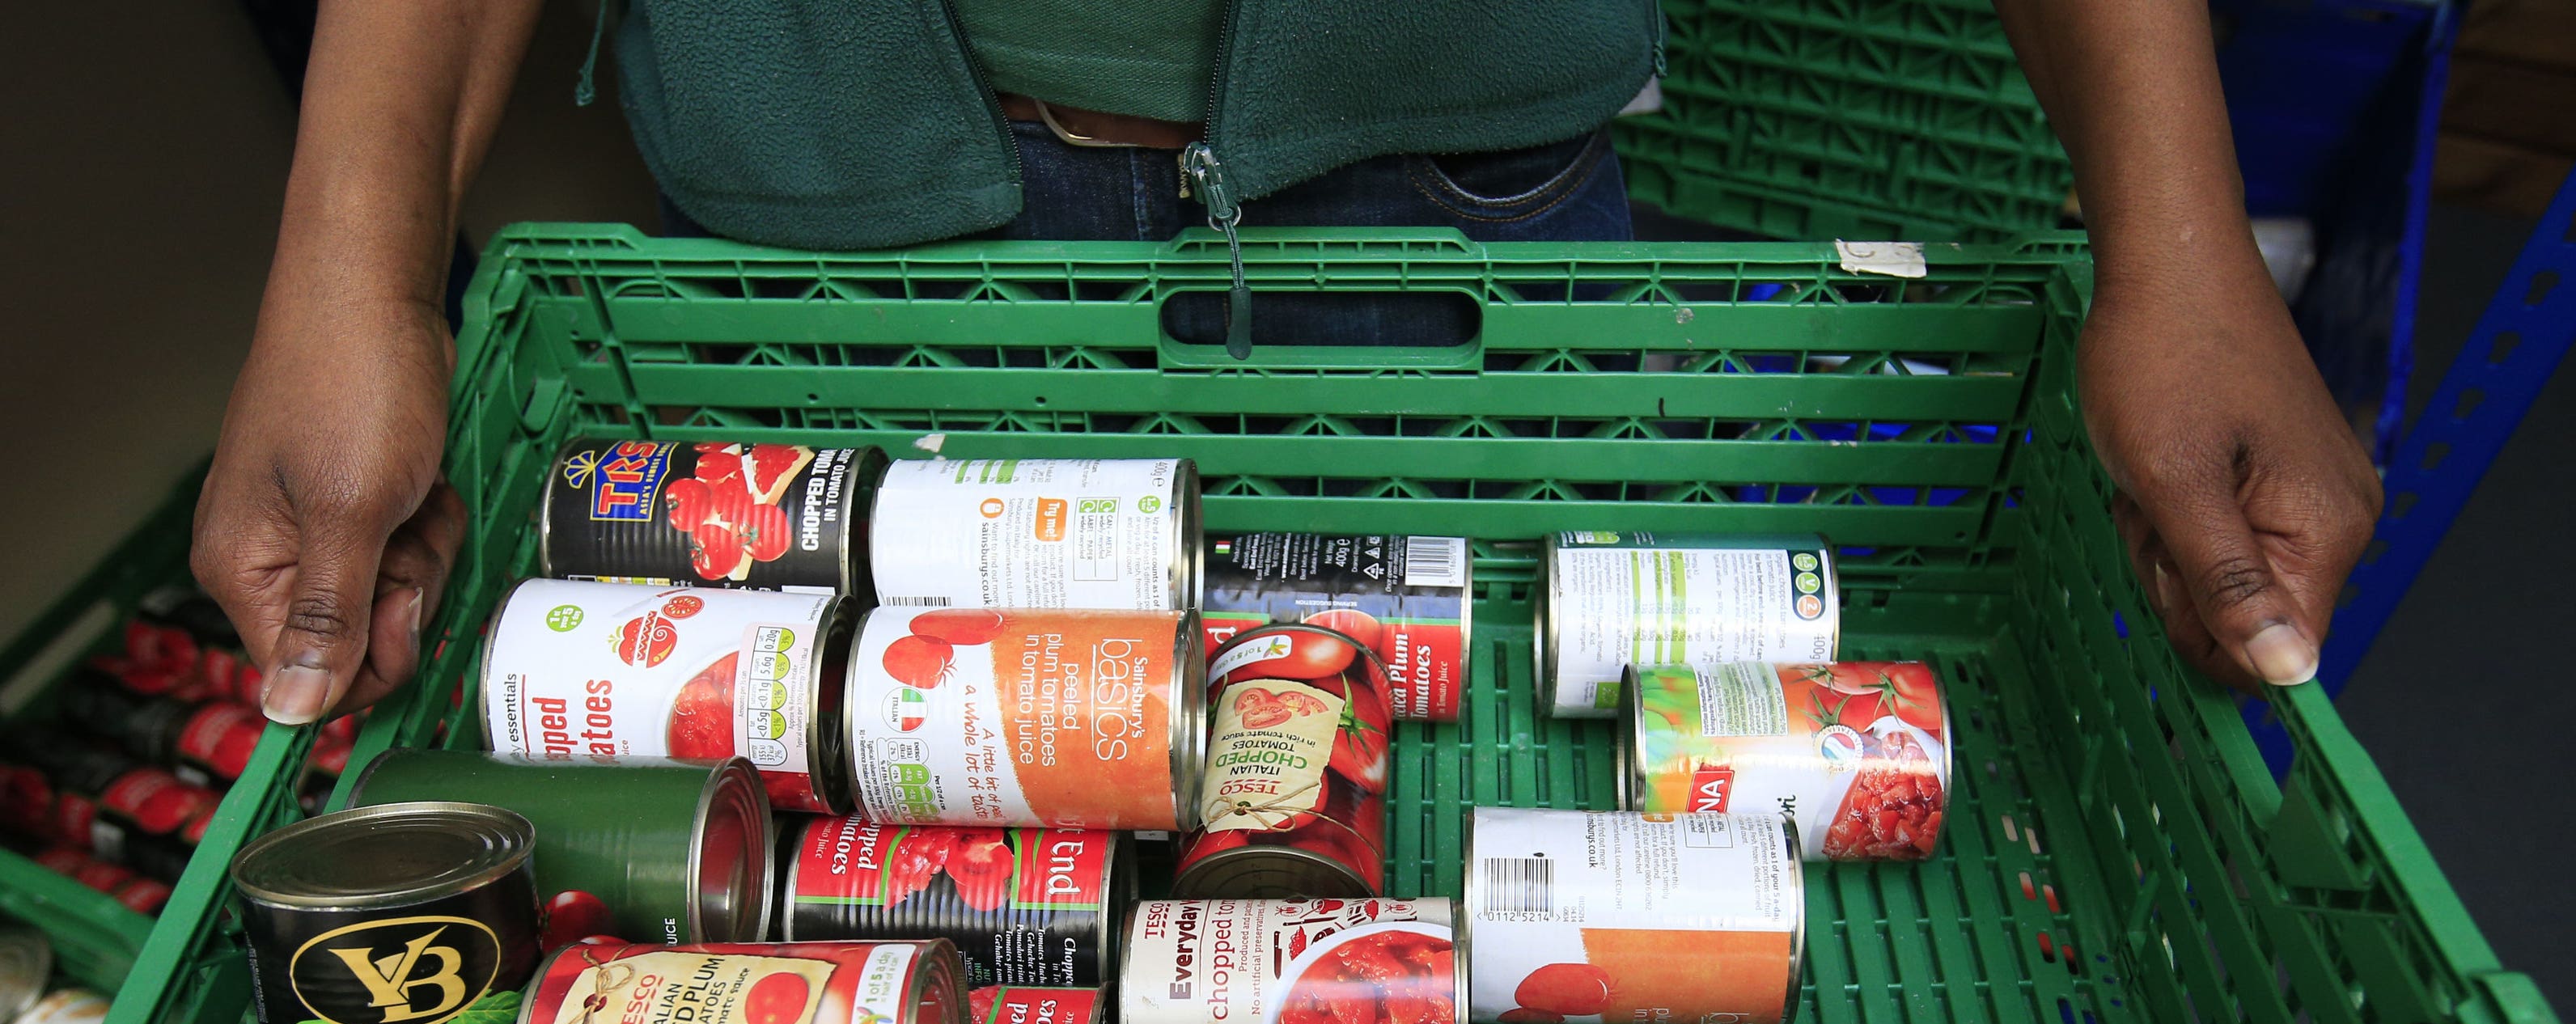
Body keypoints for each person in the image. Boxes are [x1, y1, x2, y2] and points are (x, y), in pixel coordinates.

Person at [194, 0, 2378, 724]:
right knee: (893, 818)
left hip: (1448, 198)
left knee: (1434, 764)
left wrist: (2170, 232)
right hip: (834, 218)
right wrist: (346, 258)